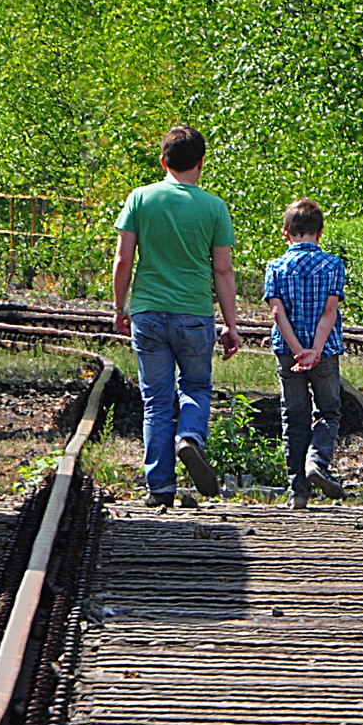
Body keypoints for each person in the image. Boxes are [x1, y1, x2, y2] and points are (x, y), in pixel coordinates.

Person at [112, 125, 242, 507]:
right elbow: (222, 271)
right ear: (202, 163)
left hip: (149, 313)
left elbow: (123, 260)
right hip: (195, 315)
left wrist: (120, 308)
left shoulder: (140, 198)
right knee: (197, 388)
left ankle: (161, 488)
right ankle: (190, 437)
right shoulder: (214, 207)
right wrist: (231, 324)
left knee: (155, 400)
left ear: (163, 161)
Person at [263, 197, 347, 510]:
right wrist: (315, 350)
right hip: (325, 352)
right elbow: (329, 312)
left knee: (293, 417)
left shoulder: (275, 267)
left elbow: (276, 314)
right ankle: (317, 462)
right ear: (320, 232)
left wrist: (298, 351)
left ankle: (297, 491)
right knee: (327, 411)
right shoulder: (333, 265)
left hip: (288, 353)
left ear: (286, 233)